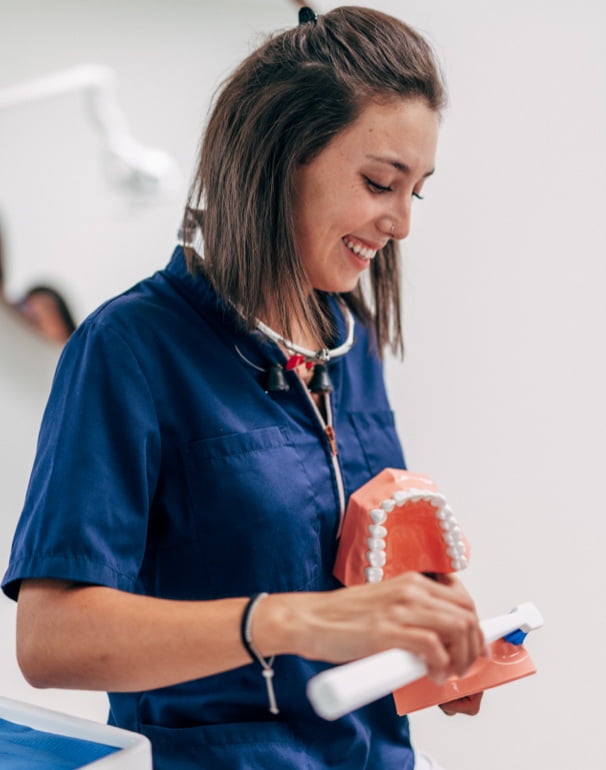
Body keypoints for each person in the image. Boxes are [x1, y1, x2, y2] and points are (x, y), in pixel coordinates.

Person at [2, 7, 484, 769]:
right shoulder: (131, 349)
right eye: (379, 182)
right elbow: (50, 641)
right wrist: (290, 622)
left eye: (414, 192)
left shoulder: (348, 349)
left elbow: (344, 586)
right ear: (279, 157)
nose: (400, 223)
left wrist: (421, 645)